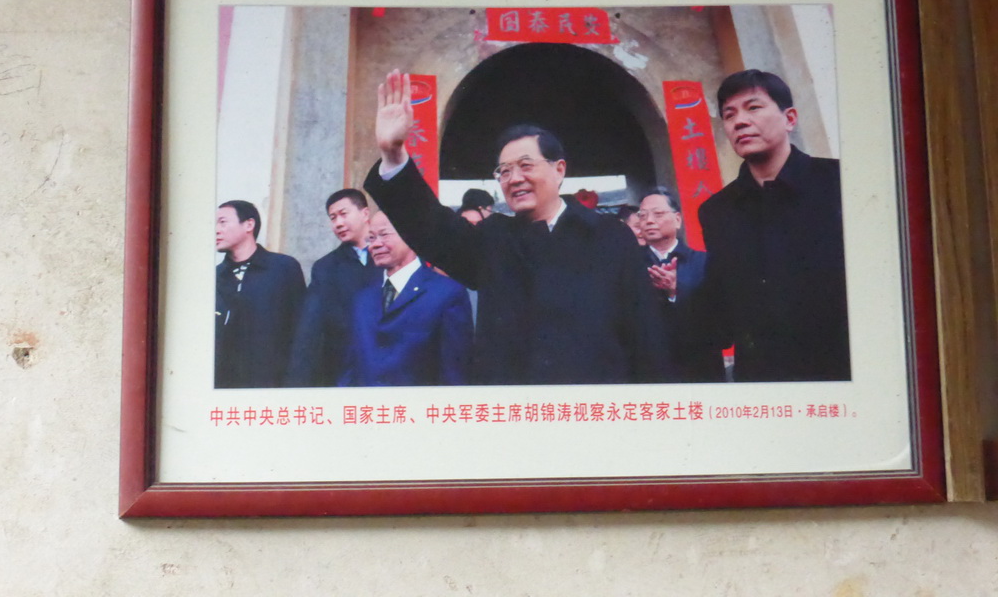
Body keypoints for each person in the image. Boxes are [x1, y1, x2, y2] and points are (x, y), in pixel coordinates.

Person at [364, 69, 669, 385]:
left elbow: (644, 332)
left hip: (593, 413)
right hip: (513, 416)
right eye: (504, 171)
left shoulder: (609, 236)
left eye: (526, 166)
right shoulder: (494, 239)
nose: (515, 178)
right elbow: (433, 227)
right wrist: (393, 154)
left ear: (559, 169)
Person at [696, 69, 850, 382]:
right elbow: (722, 306)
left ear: (789, 118)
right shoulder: (717, 211)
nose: (739, 121)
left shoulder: (839, 183)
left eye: (753, 108)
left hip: (841, 372)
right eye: (729, 114)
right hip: (763, 380)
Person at [342, 211, 474, 386]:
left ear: (410, 236)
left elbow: (454, 373)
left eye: (384, 234)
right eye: (371, 238)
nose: (376, 244)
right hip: (368, 410)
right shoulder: (363, 299)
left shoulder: (446, 293)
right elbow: (351, 368)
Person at [285, 189, 380, 386]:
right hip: (345, 370)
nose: (338, 223)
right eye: (333, 217)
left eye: (344, 214)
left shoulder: (392, 254)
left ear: (364, 213)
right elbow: (310, 329)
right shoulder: (326, 267)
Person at [215, 200, 305, 388]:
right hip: (226, 386)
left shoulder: (283, 268)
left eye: (223, 222)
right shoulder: (215, 276)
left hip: (273, 384)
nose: (216, 229)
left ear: (249, 224)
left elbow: (301, 330)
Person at [638, 187, 722, 382]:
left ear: (677, 219)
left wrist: (676, 292)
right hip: (650, 372)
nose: (649, 221)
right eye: (643, 216)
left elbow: (718, 320)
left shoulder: (704, 262)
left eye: (658, 214)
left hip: (700, 369)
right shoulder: (629, 266)